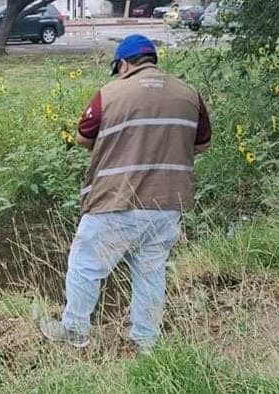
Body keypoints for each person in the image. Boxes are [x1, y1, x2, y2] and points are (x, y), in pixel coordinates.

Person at [40, 34, 212, 354]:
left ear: (123, 64)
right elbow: (202, 144)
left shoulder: (109, 94)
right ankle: (145, 342)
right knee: (150, 270)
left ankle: (75, 330)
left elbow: (82, 138)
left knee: (85, 262)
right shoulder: (190, 95)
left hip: (117, 199)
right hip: (167, 203)